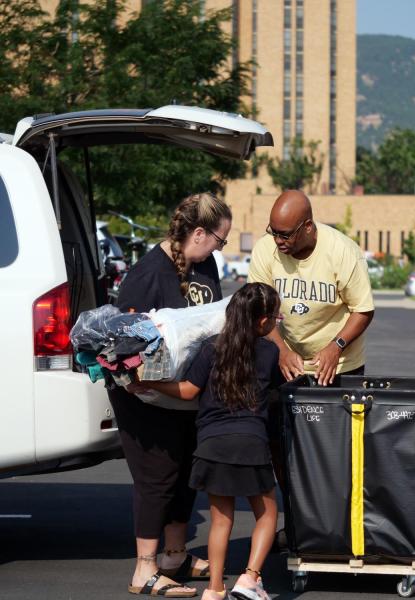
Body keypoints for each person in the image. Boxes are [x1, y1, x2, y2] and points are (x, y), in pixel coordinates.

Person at [110, 192, 232, 597]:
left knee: (184, 477)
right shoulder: (148, 273)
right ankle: (144, 568)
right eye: (220, 239)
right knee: (157, 478)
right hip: (147, 395)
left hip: (187, 394)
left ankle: (175, 556)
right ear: (199, 233)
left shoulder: (204, 263)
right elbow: (125, 338)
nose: (220, 248)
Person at [130, 283, 281, 600]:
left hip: (211, 442)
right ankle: (250, 578)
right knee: (267, 515)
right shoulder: (269, 352)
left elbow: (187, 390)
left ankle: (214, 589)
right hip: (251, 441)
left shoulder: (212, 348)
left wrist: (151, 382)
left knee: (220, 521)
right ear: (263, 321)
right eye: (276, 317)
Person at [248, 189, 375, 385]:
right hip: (286, 362)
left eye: (285, 234)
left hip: (339, 365)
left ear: (307, 226)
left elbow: (362, 310)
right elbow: (258, 310)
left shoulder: (342, 251)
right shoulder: (265, 249)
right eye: (273, 232)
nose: (277, 240)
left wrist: (336, 347)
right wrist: (282, 350)